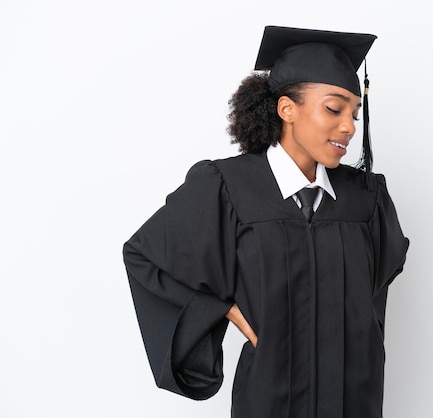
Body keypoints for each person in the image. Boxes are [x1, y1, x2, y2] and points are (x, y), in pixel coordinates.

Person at [123, 25, 409, 418]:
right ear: (286, 108)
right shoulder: (226, 186)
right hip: (270, 398)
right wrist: (222, 309)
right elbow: (146, 257)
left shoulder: (366, 197)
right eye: (334, 108)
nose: (349, 126)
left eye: (354, 113)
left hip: (354, 398)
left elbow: (380, 278)